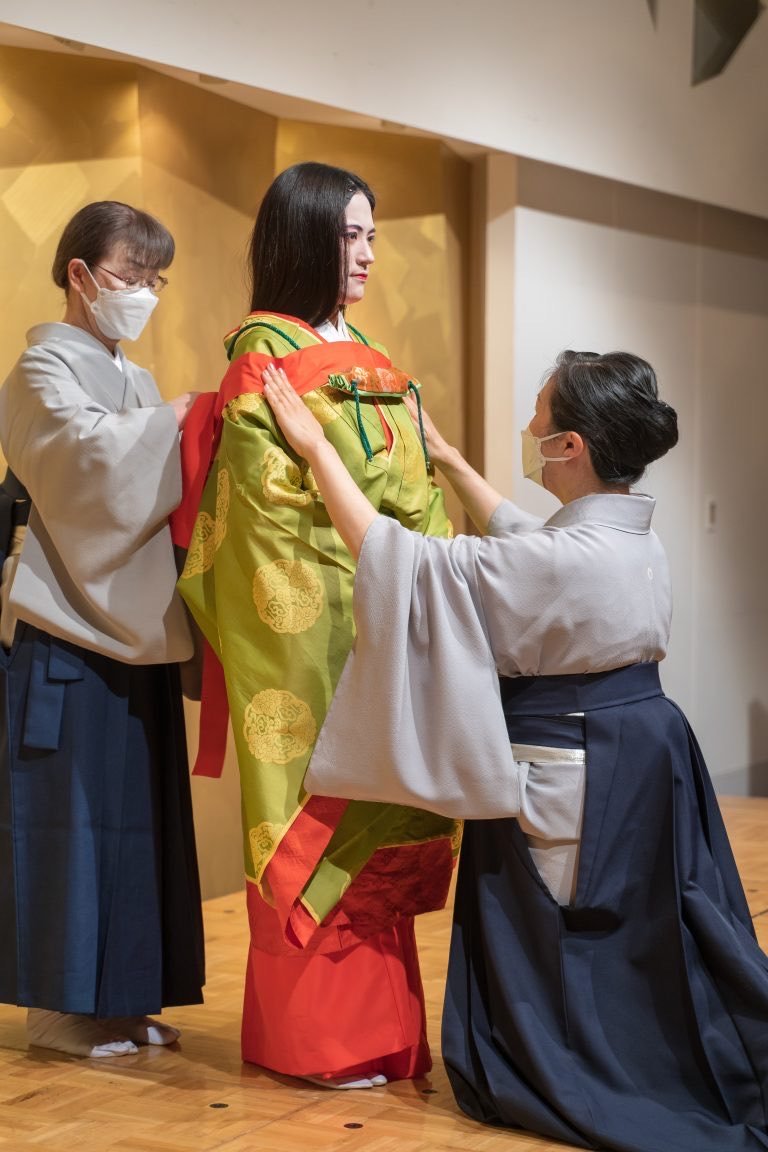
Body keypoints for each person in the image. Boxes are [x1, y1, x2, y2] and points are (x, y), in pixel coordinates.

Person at [261, 350, 768, 1150]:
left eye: (541, 415)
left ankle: (580, 1071)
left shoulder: (561, 560)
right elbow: (523, 540)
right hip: (639, 751)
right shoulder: (628, 539)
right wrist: (452, 462)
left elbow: (409, 568)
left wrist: (317, 449)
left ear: (571, 447)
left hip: (572, 764)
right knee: (631, 928)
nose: (530, 425)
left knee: (573, 929)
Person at [174, 162, 459, 1089]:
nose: (369, 254)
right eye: (350, 235)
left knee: (387, 837)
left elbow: (416, 493)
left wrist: (422, 573)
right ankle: (317, 1045)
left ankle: (387, 1036)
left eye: (374, 235)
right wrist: (378, 572)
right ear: (304, 240)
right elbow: (264, 527)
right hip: (317, 642)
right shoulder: (260, 355)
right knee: (321, 824)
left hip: (391, 621)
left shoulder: (372, 356)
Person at [0, 201, 205, 1059]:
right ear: (80, 275)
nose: (143, 295)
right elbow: (89, 469)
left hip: (134, 625)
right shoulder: (37, 372)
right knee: (73, 822)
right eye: (129, 277)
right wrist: (190, 415)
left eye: (156, 281)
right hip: (66, 630)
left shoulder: (139, 381)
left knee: (139, 819)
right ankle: (72, 1006)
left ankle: (125, 998)